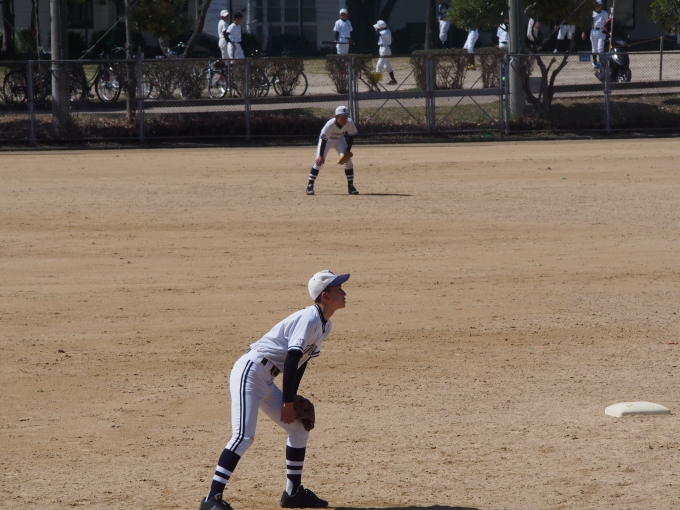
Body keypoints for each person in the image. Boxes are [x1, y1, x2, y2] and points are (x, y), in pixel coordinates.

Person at [199, 269, 351, 510]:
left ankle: (293, 493)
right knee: (243, 436)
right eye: (339, 289)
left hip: (266, 378)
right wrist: (287, 403)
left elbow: (301, 363)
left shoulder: (325, 325)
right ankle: (211, 499)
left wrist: (291, 397)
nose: (344, 292)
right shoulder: (309, 318)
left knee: (299, 429)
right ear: (325, 295)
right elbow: (291, 359)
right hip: (250, 372)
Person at [306, 106, 359, 196]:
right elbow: (324, 139)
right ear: (336, 117)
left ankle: (351, 186)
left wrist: (347, 151)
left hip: (340, 140)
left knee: (348, 162)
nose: (344, 120)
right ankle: (310, 186)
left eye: (346, 117)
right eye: (342, 117)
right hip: (327, 140)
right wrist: (321, 155)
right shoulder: (330, 124)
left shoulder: (349, 122)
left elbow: (351, 136)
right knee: (319, 162)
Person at [582, 0, 609, 68]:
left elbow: (607, 22)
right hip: (593, 31)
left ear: (601, 6)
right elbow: (586, 23)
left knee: (600, 48)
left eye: (598, 6)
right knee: (594, 48)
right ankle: (595, 61)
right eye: (596, 6)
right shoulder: (592, 13)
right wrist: (583, 32)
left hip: (601, 31)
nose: (597, 7)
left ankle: (602, 62)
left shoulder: (604, 13)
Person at [374, 20, 397, 85]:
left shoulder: (385, 32)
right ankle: (393, 80)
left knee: (379, 65)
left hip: (384, 49)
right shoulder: (386, 30)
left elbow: (377, 34)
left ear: (382, 27)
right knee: (387, 66)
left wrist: (376, 30)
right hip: (384, 49)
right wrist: (378, 29)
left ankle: (376, 81)